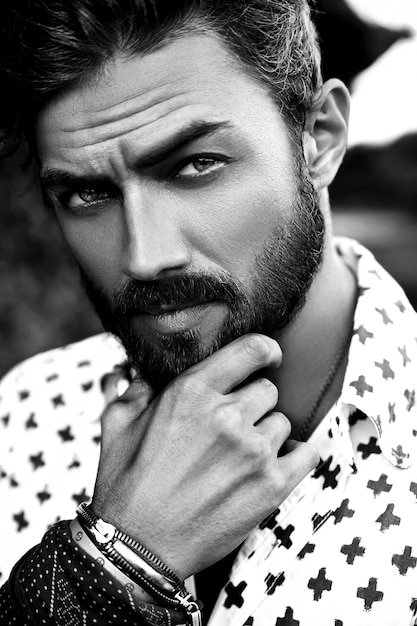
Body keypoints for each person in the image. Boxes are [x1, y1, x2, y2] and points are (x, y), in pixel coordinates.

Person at [0, 1, 416, 624]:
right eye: (87, 194)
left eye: (196, 165)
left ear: (319, 139)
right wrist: (111, 567)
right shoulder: (28, 413)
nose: (145, 257)